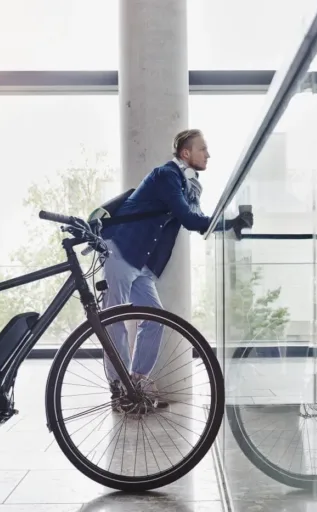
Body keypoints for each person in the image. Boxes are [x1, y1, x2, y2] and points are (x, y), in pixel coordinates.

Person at [100, 128, 253, 412]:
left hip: (143, 264)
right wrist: (229, 223)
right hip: (121, 249)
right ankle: (119, 389)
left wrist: (220, 216)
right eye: (203, 149)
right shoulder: (166, 175)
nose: (208, 154)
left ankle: (136, 382)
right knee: (114, 320)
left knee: (155, 319)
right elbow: (188, 218)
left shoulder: (188, 183)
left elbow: (194, 217)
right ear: (186, 153)